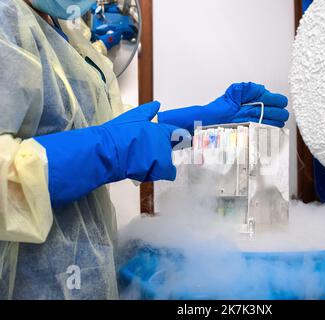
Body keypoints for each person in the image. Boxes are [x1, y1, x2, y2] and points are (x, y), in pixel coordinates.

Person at [0, 0, 289, 299]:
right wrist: (110, 149)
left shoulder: (69, 34)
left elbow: (103, 122)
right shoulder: (6, 19)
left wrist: (197, 122)